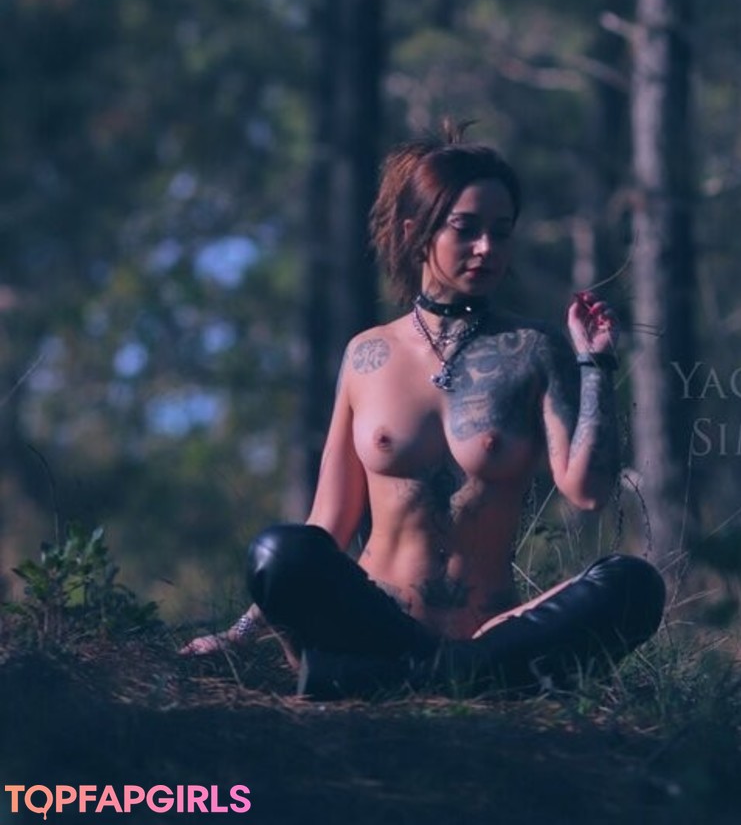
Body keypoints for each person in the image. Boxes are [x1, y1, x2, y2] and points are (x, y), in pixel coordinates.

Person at [183, 126, 665, 697]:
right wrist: (239, 635)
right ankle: (457, 678)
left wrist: (596, 364)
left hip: (489, 632)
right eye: (466, 228)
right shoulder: (366, 355)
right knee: (280, 552)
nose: (486, 248)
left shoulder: (534, 350)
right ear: (416, 232)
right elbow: (328, 525)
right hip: (374, 626)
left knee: (633, 584)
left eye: (501, 232)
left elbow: (587, 492)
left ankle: (412, 678)